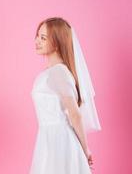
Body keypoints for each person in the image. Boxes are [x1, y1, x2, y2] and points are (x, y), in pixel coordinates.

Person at [30, 17, 101, 174]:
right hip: (49, 137)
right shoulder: (52, 72)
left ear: (56, 42)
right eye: (37, 36)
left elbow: (75, 114)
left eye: (43, 38)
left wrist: (85, 149)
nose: (37, 41)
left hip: (60, 140)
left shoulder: (59, 72)